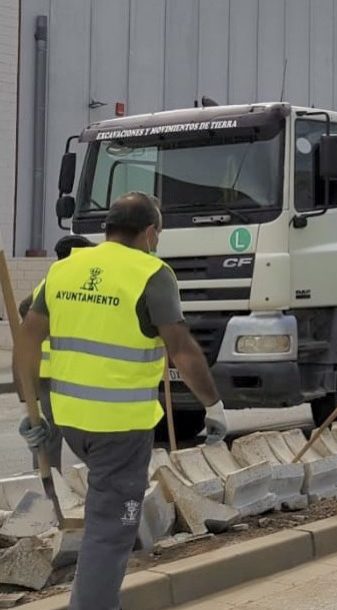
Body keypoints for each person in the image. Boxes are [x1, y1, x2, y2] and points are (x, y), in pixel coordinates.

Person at [14, 192, 230, 610]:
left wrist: (31, 410)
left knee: (107, 517)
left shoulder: (65, 269)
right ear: (150, 233)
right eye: (158, 234)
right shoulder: (151, 273)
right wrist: (213, 406)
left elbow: (28, 338)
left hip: (72, 420)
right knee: (110, 529)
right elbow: (181, 349)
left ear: (108, 228)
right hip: (120, 426)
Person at [15, 235, 95, 471]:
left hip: (52, 369)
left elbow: (23, 307)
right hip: (56, 370)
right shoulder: (63, 281)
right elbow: (23, 308)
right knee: (52, 429)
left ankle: (47, 477)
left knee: (51, 429)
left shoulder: (54, 280)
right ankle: (47, 481)